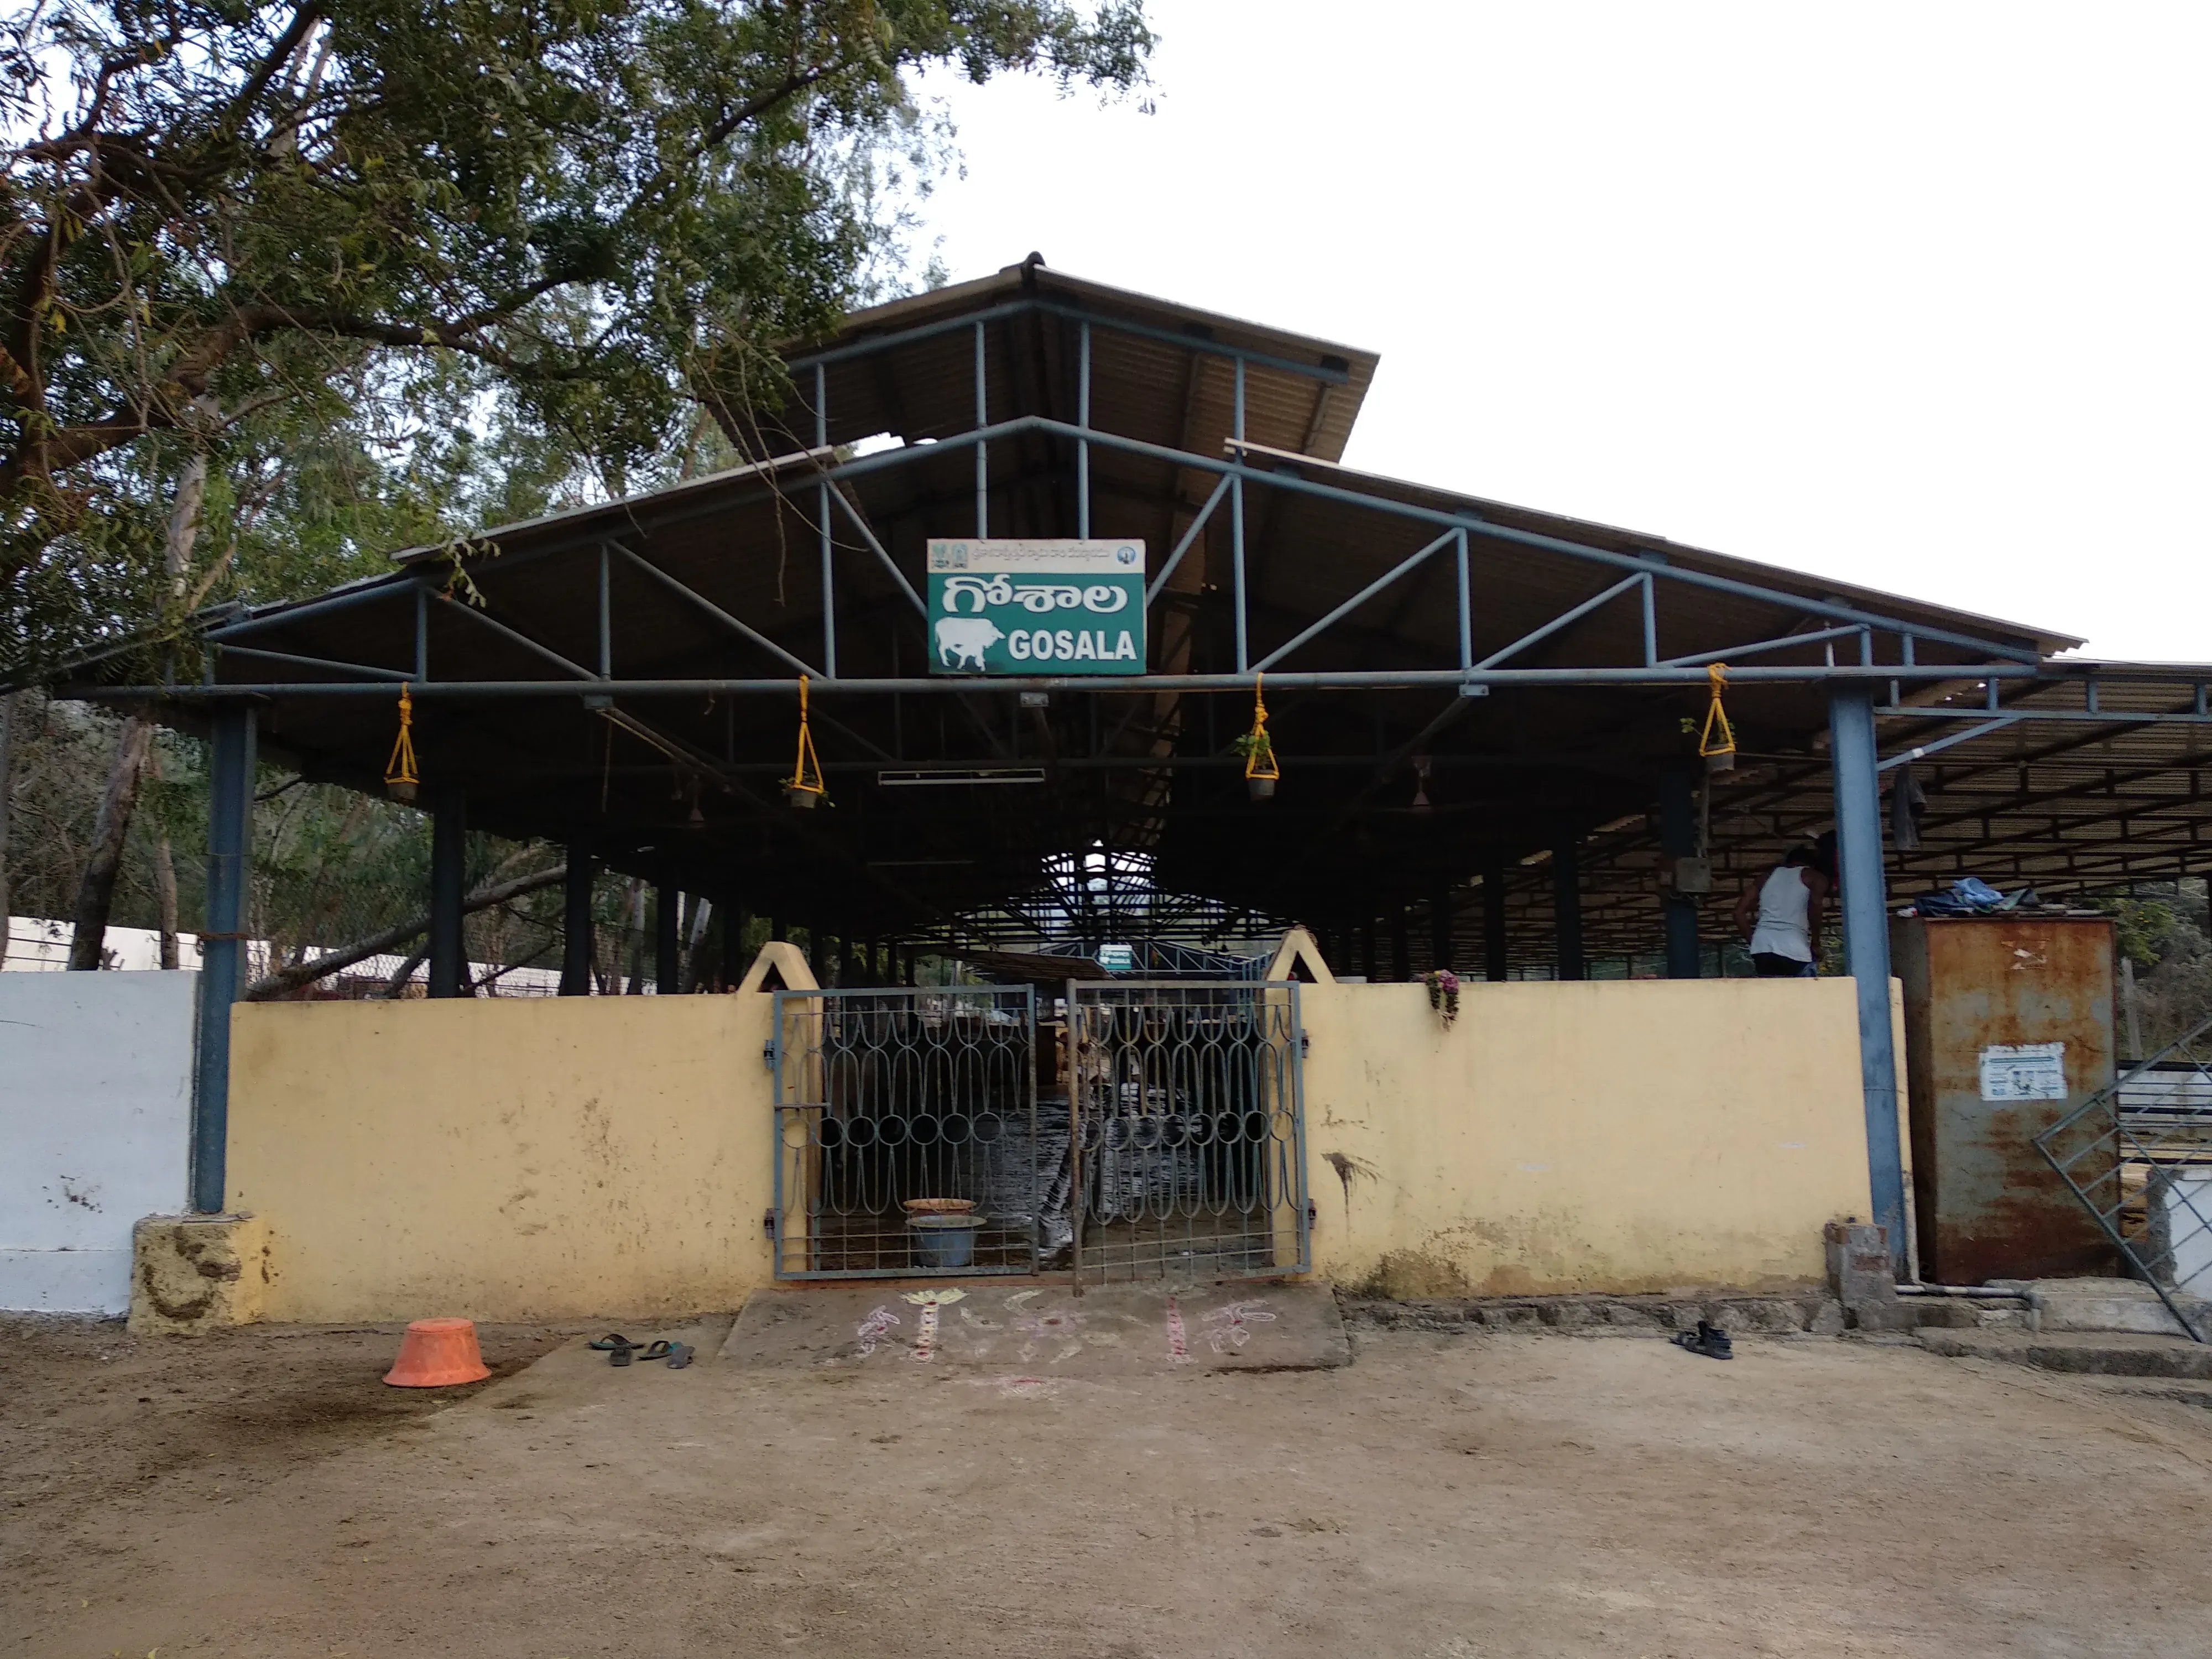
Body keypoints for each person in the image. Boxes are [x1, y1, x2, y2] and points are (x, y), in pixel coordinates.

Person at [1733, 846, 1829, 977]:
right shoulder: (1815, 878)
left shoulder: (1765, 877)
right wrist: (1816, 942)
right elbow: (1815, 909)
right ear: (1812, 864)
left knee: (1772, 994)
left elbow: (1739, 912)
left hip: (1762, 948)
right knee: (1807, 993)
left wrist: (1754, 940)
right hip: (1795, 948)